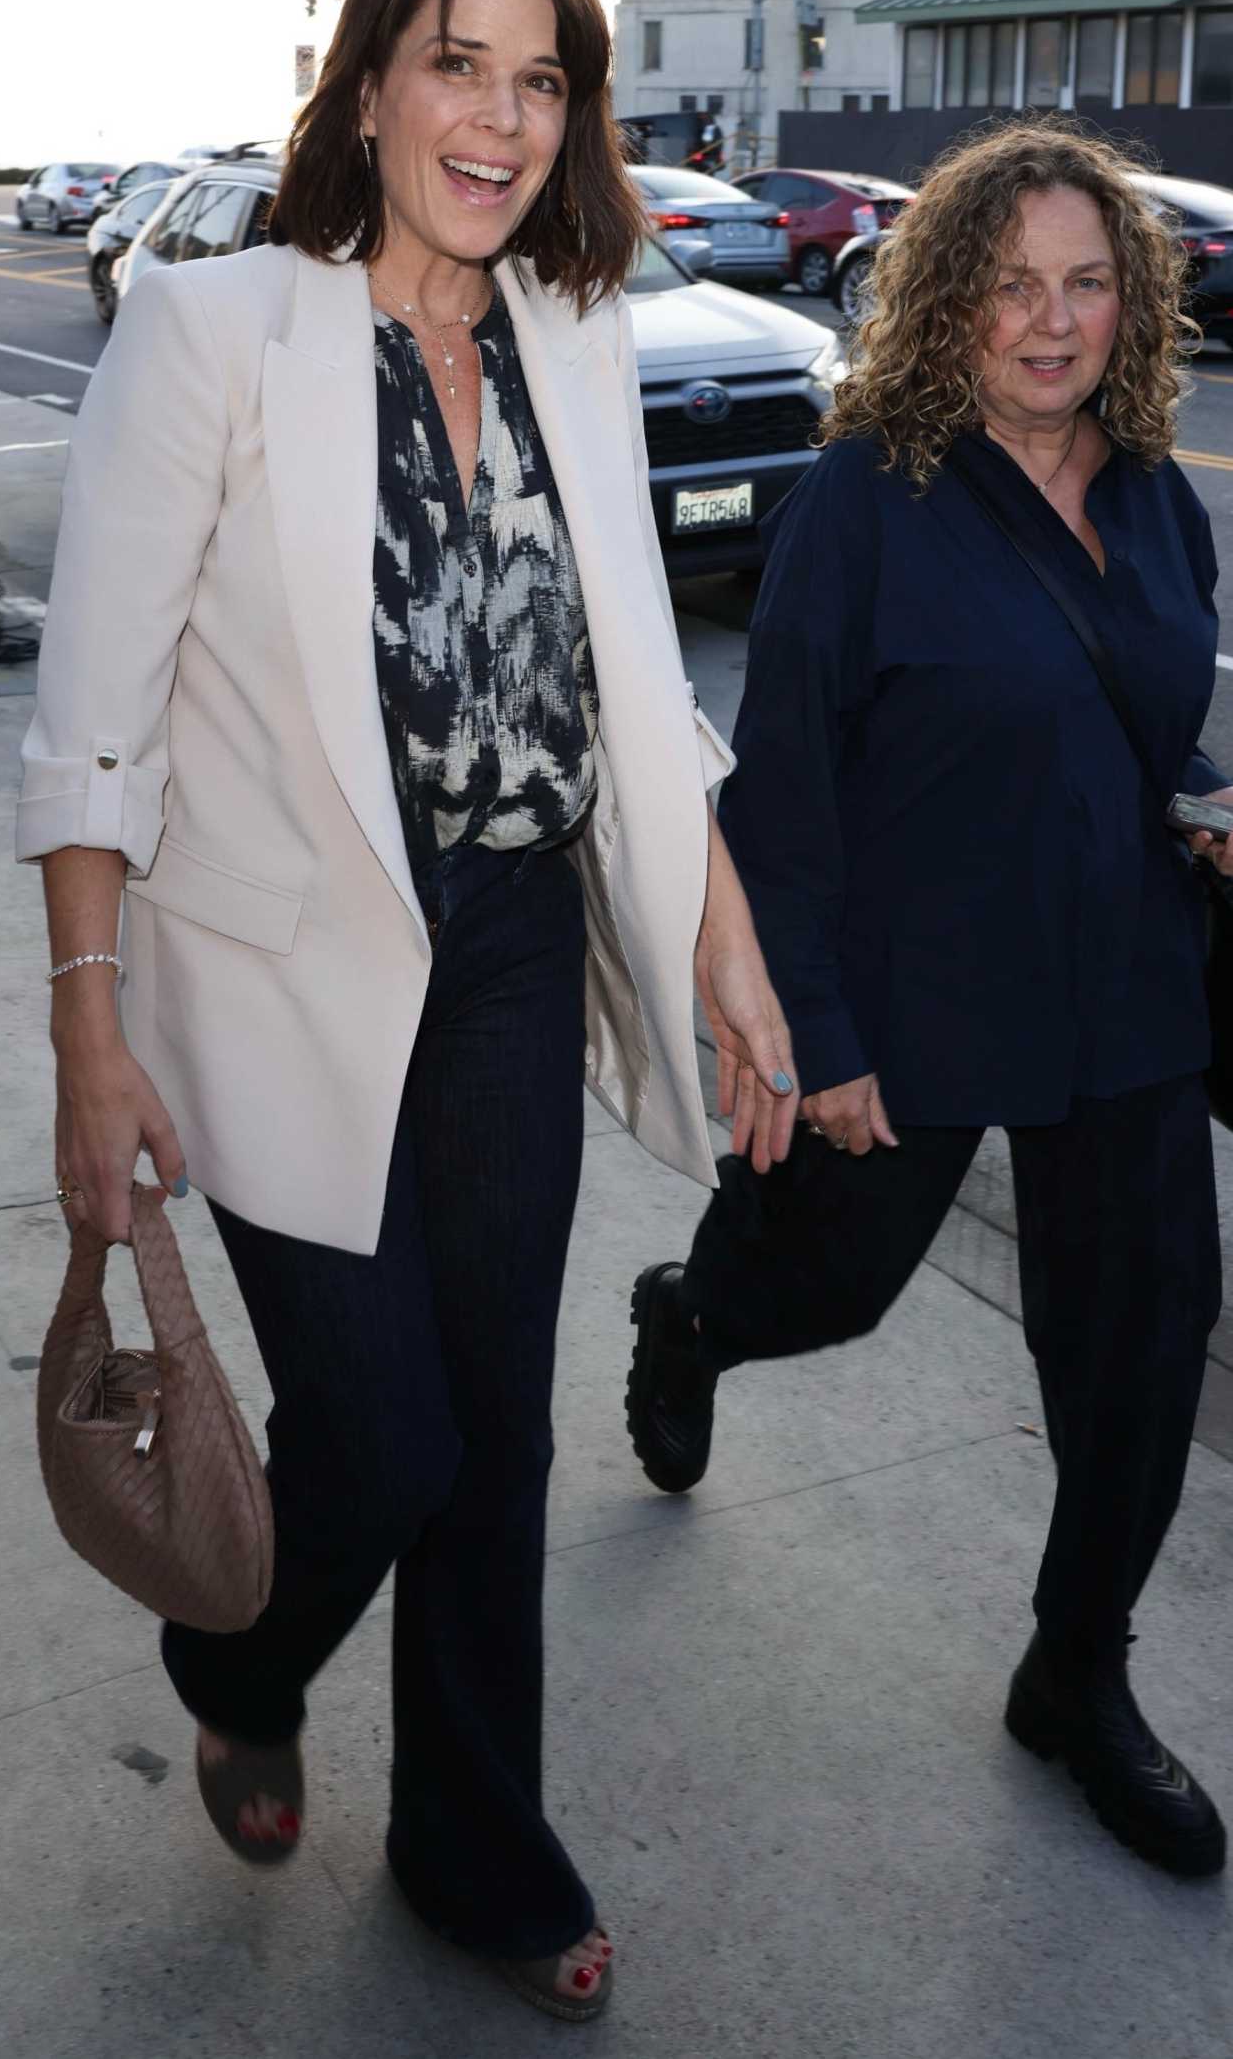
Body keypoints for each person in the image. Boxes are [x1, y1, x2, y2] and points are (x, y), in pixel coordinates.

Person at [18, 0, 798, 2021]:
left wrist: (721, 942)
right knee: (380, 1432)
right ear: (367, 86)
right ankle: (239, 1653)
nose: (499, 116)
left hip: (518, 940)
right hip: (273, 972)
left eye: (541, 79)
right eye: (459, 64)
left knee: (502, 1438)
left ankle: (471, 1835)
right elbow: (89, 716)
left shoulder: (571, 335)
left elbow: (635, 679)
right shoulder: (215, 329)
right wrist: (91, 1042)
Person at [625, 119, 1232, 1880]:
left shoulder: (1154, 495)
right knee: (824, 1283)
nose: (1052, 324)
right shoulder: (860, 505)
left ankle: (1077, 1670)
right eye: (1012, 287)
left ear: (1132, 302)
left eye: (1087, 285)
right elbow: (782, 788)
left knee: (1134, 1350)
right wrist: (811, 1027)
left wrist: (1197, 800)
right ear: (945, 303)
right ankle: (694, 1314)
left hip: (1123, 985)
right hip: (907, 994)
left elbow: (1128, 719)